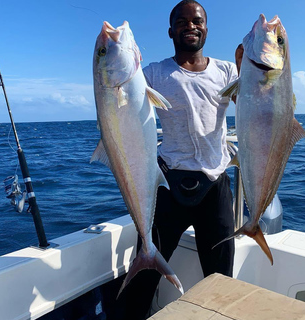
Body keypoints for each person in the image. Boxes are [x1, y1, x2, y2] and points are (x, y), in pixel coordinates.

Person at [113, 1, 241, 319]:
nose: (190, 26)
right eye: (181, 22)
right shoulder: (154, 72)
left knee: (221, 276)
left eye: (197, 20)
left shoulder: (226, 70)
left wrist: (249, 72)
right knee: (144, 272)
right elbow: (121, 97)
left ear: (207, 28)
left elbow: (256, 106)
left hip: (215, 185)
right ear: (171, 31)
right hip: (168, 183)